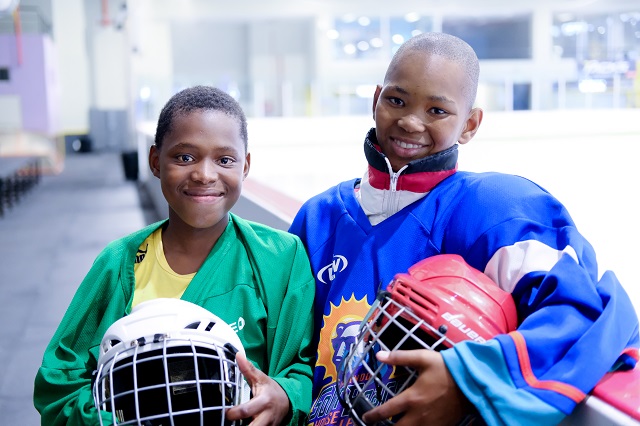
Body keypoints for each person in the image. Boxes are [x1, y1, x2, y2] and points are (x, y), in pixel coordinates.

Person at [288, 32, 639, 425]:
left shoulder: (496, 207)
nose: (409, 121)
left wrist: (468, 377)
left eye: (437, 110)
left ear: (470, 124)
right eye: (396, 100)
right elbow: (288, 356)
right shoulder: (316, 218)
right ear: (375, 101)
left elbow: (586, 309)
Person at [34, 85, 316, 426]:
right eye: (185, 157)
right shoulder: (118, 263)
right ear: (155, 160)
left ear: (245, 166)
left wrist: (283, 397)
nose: (204, 174)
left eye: (225, 159)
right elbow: (59, 380)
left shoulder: (280, 259)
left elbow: (301, 367)